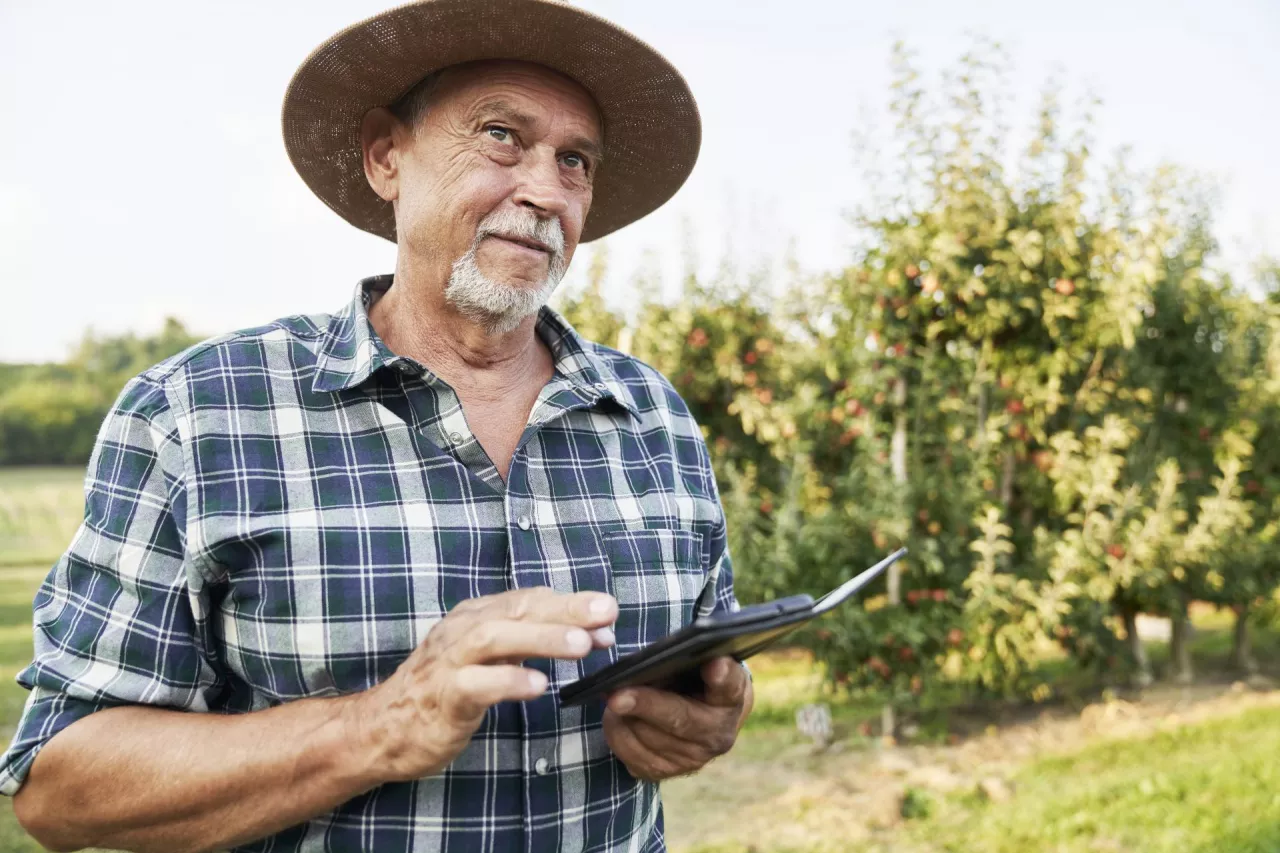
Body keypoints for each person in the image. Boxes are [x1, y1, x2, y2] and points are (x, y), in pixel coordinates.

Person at [0, 2, 753, 851]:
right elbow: (57, 783)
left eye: (574, 160)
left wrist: (715, 713)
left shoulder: (653, 416)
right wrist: (376, 726)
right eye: (502, 134)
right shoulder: (197, 416)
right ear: (386, 156)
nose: (545, 190)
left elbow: (709, 666)